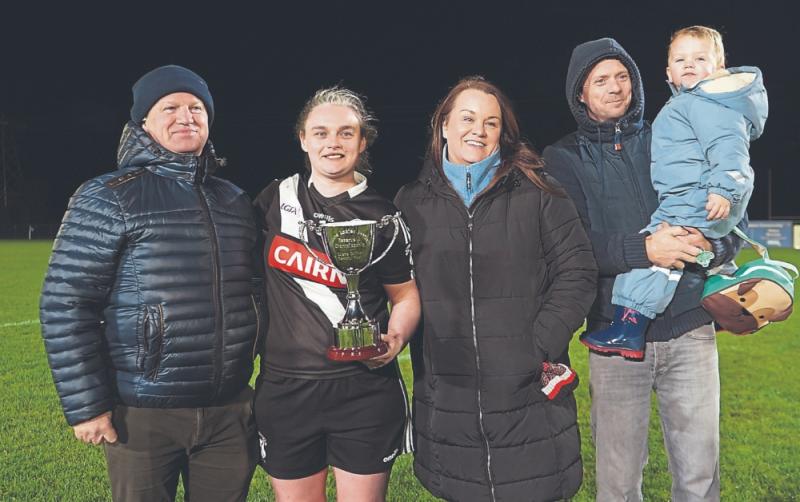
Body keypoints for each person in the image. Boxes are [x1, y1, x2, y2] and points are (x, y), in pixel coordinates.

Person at [39, 65, 260, 501]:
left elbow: (257, 293)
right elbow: (66, 302)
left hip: (229, 411)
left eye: (196, 108)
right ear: (144, 122)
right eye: (170, 108)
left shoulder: (233, 200)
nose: (186, 117)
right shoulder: (109, 195)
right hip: (142, 414)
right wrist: (87, 406)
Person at [544, 38, 744, 501]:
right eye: (600, 80)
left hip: (690, 327)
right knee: (618, 483)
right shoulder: (561, 158)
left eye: (622, 76)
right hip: (613, 336)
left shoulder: (673, 130)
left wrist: (711, 244)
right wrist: (645, 250)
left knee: (699, 478)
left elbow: (733, 218)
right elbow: (571, 248)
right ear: (580, 93)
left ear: (636, 82)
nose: (615, 87)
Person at [395, 76, 597, 502]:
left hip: (529, 398)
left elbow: (577, 272)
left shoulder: (539, 191)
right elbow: (396, 289)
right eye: (467, 119)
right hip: (449, 402)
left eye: (491, 123)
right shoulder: (409, 202)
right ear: (443, 125)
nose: (479, 131)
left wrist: (537, 345)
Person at [252, 87, 421, 502]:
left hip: (363, 390)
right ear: (303, 139)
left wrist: (396, 338)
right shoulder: (274, 200)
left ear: (362, 142)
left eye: (346, 133)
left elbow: (405, 295)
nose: (333, 142)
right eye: (321, 132)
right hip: (286, 389)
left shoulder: (383, 214)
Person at [581, 26, 767, 357]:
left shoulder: (706, 105)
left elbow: (730, 149)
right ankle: (723, 285)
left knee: (659, 257)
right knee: (671, 253)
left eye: (700, 58)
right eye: (681, 60)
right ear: (668, 72)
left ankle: (629, 325)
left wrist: (724, 191)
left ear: (719, 67)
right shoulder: (688, 104)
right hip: (690, 199)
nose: (690, 65)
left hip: (691, 201)